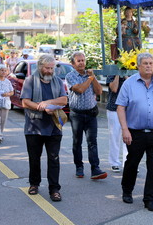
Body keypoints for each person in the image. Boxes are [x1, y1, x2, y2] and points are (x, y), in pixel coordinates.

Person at [116, 53, 153, 211]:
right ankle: (127, 190)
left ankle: (150, 199)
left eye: (151, 63)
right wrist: (124, 129)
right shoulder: (129, 84)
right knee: (132, 163)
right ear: (138, 66)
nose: (149, 66)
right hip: (136, 132)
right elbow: (121, 107)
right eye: (146, 63)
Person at [21, 54, 68, 202]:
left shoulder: (57, 81)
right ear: (40, 67)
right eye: (47, 68)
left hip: (54, 126)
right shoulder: (30, 81)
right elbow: (25, 102)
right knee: (34, 158)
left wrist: (47, 103)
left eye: (52, 68)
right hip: (34, 127)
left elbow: (64, 100)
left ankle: (54, 189)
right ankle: (34, 184)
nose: (49, 71)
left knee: (54, 159)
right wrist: (42, 108)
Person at [65, 51, 107, 180]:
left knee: (92, 142)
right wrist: (90, 78)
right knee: (77, 142)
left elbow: (99, 91)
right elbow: (80, 89)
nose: (82, 63)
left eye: (83, 60)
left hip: (91, 113)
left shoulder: (91, 76)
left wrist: (93, 78)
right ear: (73, 64)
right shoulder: (70, 76)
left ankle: (95, 168)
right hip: (77, 114)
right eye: (79, 60)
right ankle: (79, 167)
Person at [106, 75, 128, 173]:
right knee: (114, 136)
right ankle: (114, 162)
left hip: (128, 109)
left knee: (128, 137)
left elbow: (133, 88)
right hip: (114, 108)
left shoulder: (132, 71)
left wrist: (127, 75)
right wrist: (118, 74)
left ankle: (128, 162)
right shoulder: (111, 74)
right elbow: (114, 88)